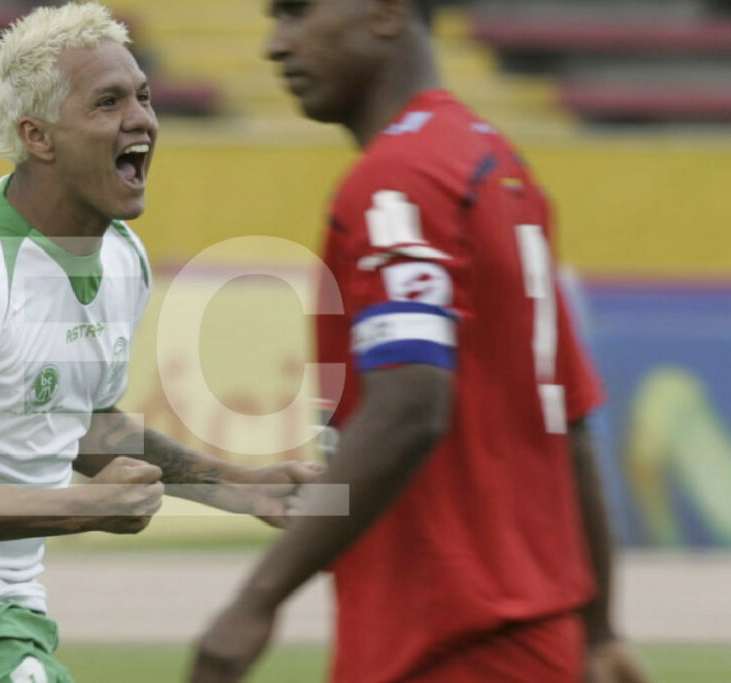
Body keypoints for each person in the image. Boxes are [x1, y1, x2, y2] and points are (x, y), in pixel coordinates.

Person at [0, 4, 319, 681]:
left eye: (143, 95)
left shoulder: (121, 258)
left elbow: (78, 423)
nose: (140, 119)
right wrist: (83, 506)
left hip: (6, 612)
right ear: (39, 136)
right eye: (107, 102)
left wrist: (237, 485)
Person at [191, 1, 652, 682]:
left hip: (449, 639)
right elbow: (570, 425)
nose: (276, 46)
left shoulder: (399, 181)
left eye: (295, 13)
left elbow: (411, 402)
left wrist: (254, 602)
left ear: (384, 13)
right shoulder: (496, 165)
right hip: (529, 635)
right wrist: (600, 628)